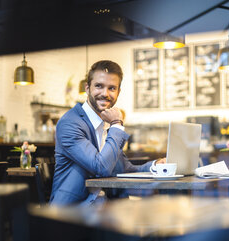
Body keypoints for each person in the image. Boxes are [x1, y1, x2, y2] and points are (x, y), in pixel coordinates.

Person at [50, 60, 165, 206]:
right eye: (99, 86)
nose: (105, 94)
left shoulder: (105, 124)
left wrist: (156, 165)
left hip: (106, 206)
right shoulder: (70, 122)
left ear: (118, 92)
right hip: (74, 210)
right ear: (87, 88)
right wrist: (116, 125)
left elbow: (125, 170)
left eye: (112, 88)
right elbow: (101, 168)